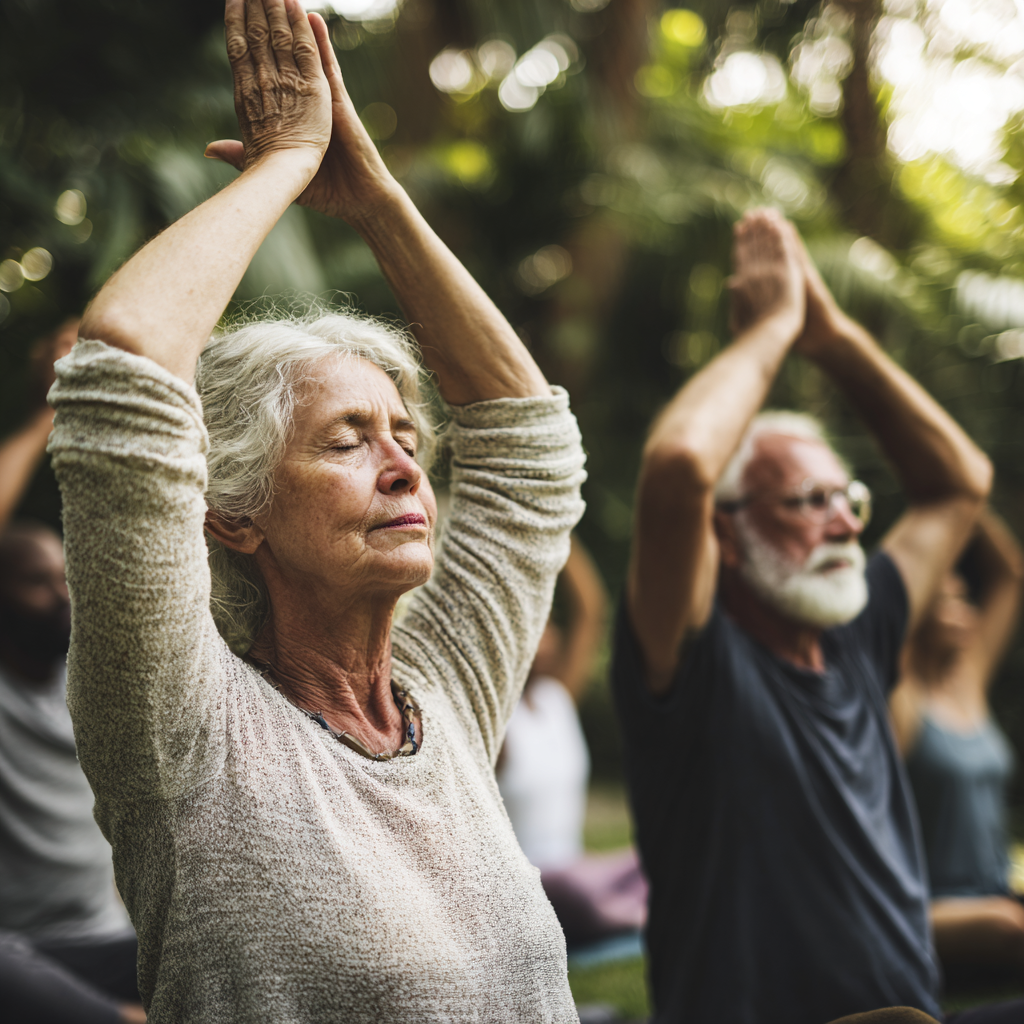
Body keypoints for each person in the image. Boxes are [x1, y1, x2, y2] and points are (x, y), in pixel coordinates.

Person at [48, 1, 585, 1021]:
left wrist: (373, 197)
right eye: (345, 440)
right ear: (232, 514)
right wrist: (282, 166)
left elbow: (530, 448)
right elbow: (121, 368)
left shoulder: (447, 688)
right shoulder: (181, 728)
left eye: (405, 437)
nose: (399, 468)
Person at [611, 207, 1020, 1023]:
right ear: (726, 533)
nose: (847, 523)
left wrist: (831, 337)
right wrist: (770, 333)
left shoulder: (859, 637)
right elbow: (682, 464)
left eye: (848, 497)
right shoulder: (693, 660)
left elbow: (959, 484)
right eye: (808, 502)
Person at [0, 320, 146, 1024]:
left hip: (107, 938)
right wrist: (46, 413)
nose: (62, 593)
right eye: (36, 581)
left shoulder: (89, 672)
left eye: (65, 577)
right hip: (18, 953)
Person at [891, 511, 1024, 983]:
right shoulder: (901, 700)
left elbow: (1009, 572)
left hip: (999, 889)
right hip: (932, 908)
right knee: (1010, 928)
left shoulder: (970, 677)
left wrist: (961, 500)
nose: (966, 614)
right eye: (948, 602)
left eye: (966, 600)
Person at [498, 536, 647, 948]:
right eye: (538, 627)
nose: (552, 636)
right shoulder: (496, 727)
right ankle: (641, 913)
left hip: (577, 870)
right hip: (534, 889)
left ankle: (639, 908)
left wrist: (554, 529)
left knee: (653, 855)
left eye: (552, 624)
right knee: (572, 888)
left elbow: (590, 609)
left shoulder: (556, 700)